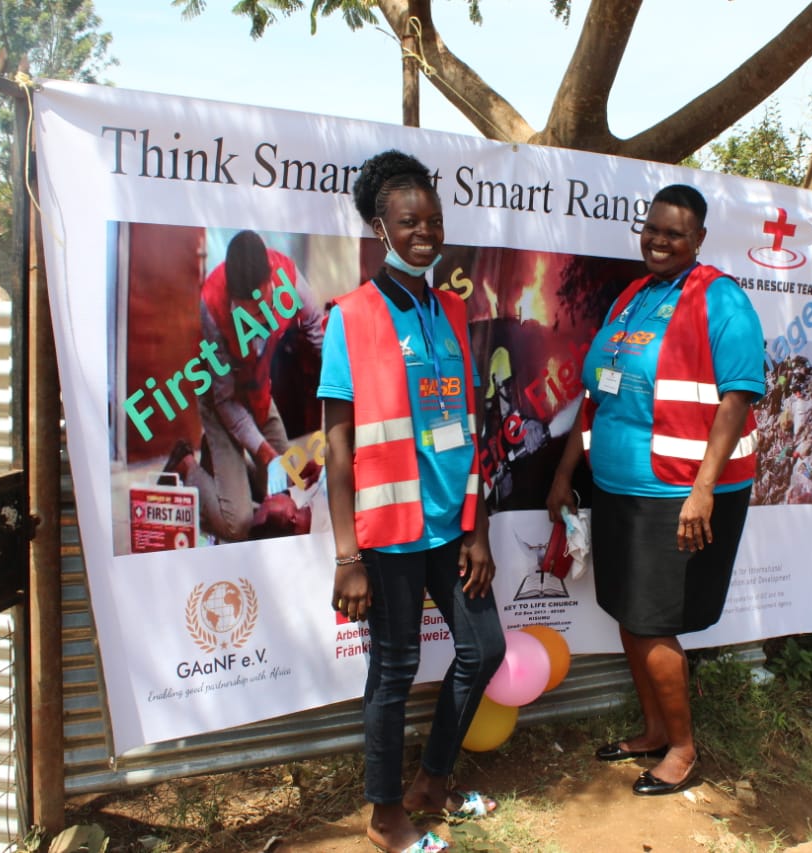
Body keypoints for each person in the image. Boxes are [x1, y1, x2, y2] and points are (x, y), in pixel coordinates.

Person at [546, 184, 766, 797]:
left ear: (697, 239)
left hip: (678, 493)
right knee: (627, 612)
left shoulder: (720, 299)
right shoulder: (633, 298)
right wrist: (566, 475)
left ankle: (683, 747)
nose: (659, 240)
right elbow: (597, 395)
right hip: (616, 486)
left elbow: (738, 397)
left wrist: (703, 491)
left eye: (674, 233)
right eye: (652, 229)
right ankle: (650, 729)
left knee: (651, 621)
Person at [318, 150, 505, 853]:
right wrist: (346, 556)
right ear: (379, 226)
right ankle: (385, 815)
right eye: (408, 220)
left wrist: (477, 530)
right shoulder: (352, 317)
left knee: (483, 648)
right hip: (389, 534)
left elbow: (469, 431)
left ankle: (432, 781)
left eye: (433, 218)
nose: (425, 230)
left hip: (452, 528)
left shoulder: (451, 310)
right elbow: (338, 446)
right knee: (393, 671)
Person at [165, 229, 324, 543]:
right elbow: (225, 401)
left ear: (272, 284)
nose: (256, 321)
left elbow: (319, 332)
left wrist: (341, 389)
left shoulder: (289, 280)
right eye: (245, 314)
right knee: (238, 524)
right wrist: (267, 455)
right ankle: (186, 464)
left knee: (290, 491)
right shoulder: (211, 304)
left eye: (261, 309)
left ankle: (227, 472)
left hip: (258, 392)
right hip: (221, 400)